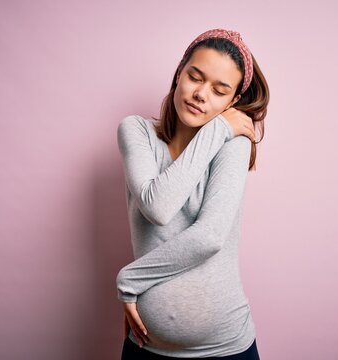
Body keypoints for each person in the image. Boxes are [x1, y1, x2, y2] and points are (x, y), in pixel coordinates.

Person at [116, 28, 269, 359]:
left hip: (226, 349)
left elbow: (210, 236)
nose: (201, 94)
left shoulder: (234, 143)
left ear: (233, 103)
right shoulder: (136, 131)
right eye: (195, 77)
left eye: (219, 90)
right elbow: (158, 206)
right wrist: (218, 127)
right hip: (147, 347)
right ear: (179, 74)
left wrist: (129, 280)